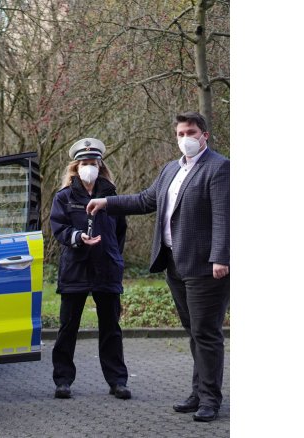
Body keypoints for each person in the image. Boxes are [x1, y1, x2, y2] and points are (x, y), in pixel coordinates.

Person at [86, 112, 229, 422]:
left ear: (204, 135)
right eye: (180, 133)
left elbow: (223, 215)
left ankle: (210, 400)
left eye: (190, 132)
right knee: (193, 332)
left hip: (205, 265)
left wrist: (222, 257)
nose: (185, 139)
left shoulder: (219, 167)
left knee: (206, 333)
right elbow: (145, 200)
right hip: (174, 262)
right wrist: (107, 203)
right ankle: (198, 392)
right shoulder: (170, 170)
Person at [50, 138, 130, 401]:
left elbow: (120, 232)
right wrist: (77, 238)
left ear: (100, 165)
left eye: (93, 163)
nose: (89, 167)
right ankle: (63, 381)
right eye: (84, 163)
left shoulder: (112, 197)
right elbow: (58, 229)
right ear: (76, 167)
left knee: (111, 327)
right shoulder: (64, 197)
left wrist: (111, 253)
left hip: (106, 268)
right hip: (76, 268)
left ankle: (117, 381)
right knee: (68, 327)